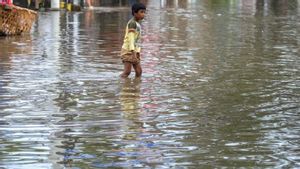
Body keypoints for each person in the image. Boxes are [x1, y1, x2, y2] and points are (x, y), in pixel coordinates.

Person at [120, 3, 146, 78]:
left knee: (139, 71)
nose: (143, 14)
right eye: (141, 12)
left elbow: (136, 39)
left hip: (135, 51)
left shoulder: (137, 23)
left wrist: (137, 51)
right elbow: (131, 38)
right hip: (128, 51)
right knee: (127, 72)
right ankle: (121, 84)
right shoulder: (132, 23)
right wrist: (133, 51)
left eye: (144, 12)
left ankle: (136, 87)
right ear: (135, 13)